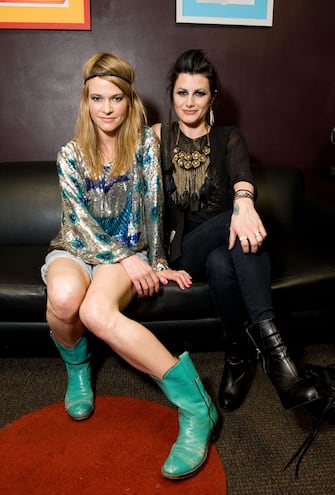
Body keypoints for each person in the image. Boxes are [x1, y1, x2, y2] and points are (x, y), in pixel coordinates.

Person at [41, 52, 221, 481]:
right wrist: (122, 256)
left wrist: (156, 261)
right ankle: (78, 370)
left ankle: (196, 405)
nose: (106, 108)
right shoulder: (69, 153)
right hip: (75, 246)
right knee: (65, 298)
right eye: (97, 99)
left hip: (124, 249)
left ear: (129, 100)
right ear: (86, 102)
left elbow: (154, 209)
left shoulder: (144, 144)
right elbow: (78, 220)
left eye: (115, 98)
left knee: (95, 312)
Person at [152, 48, 319, 412]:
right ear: (171, 95)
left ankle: (239, 354)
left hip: (225, 246)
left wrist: (243, 203)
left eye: (199, 93)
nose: (190, 102)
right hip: (184, 251)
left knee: (225, 262)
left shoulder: (229, 138)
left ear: (213, 97)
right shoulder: (156, 138)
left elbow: (243, 178)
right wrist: (154, 259)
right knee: (237, 230)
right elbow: (137, 198)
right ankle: (282, 363)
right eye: (182, 92)